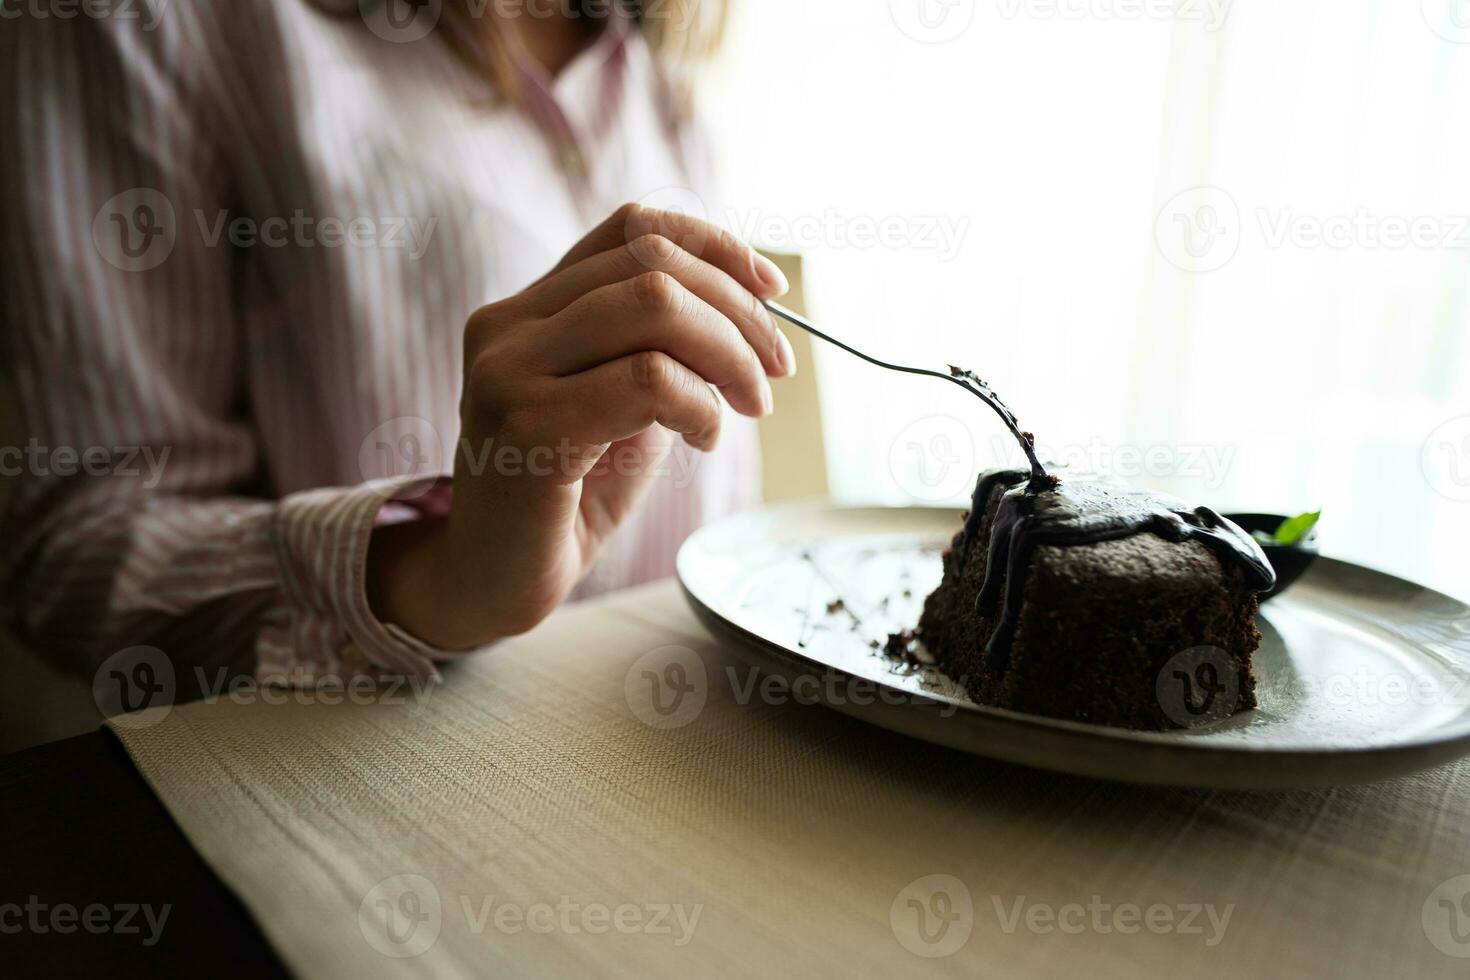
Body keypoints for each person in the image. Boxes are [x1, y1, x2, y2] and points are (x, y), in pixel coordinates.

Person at [0, 0, 793, 688]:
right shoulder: (145, 24)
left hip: (692, 771)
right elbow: (79, 549)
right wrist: (443, 576)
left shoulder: (660, 60)